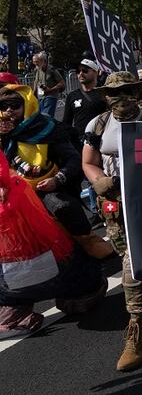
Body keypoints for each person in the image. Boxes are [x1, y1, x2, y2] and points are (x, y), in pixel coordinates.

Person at [82, 72, 142, 371]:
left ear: (137, 91)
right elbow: (89, 161)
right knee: (130, 256)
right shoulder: (97, 124)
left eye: (126, 91)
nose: (119, 98)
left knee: (132, 266)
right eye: (113, 93)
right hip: (115, 206)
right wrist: (98, 180)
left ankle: (136, 332)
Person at [0, 83, 112, 259]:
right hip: (17, 192)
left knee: (63, 207)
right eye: (3, 106)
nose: (9, 110)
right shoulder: (4, 131)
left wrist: (57, 180)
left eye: (15, 105)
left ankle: (94, 250)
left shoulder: (46, 127)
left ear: (27, 104)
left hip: (48, 188)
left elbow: (74, 159)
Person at [0, 153, 106, 335]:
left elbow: (71, 159)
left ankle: (15, 311)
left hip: (18, 268)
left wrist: (56, 180)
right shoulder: (17, 185)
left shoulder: (44, 132)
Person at [61, 58, 107, 145]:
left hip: (101, 140)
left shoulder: (104, 92)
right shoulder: (72, 96)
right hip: (80, 142)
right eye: (78, 71)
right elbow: (66, 122)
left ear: (96, 72)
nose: (81, 74)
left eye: (85, 70)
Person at [30, 52, 64, 118]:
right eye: (34, 62)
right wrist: (34, 92)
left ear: (43, 61)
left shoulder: (52, 70)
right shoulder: (37, 69)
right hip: (40, 97)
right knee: (41, 118)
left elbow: (62, 83)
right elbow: (36, 81)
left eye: (37, 61)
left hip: (50, 96)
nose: (35, 64)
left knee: (47, 118)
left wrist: (50, 90)